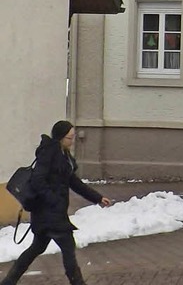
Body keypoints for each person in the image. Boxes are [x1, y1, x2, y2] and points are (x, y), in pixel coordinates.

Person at [0, 121, 112, 285]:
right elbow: (38, 180)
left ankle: (8, 282)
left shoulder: (64, 155)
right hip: (49, 212)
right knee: (68, 246)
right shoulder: (49, 153)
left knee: (37, 247)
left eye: (73, 137)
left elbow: (73, 182)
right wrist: (54, 200)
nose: (72, 141)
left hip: (50, 212)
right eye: (69, 138)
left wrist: (97, 197)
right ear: (60, 137)